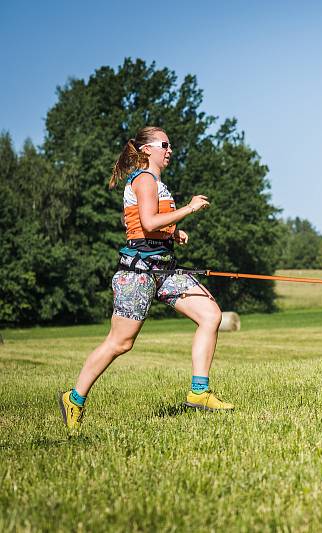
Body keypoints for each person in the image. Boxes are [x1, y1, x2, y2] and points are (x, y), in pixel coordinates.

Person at [58, 126, 233, 429]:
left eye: (170, 146)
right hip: (138, 273)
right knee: (121, 343)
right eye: (164, 145)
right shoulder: (144, 179)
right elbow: (149, 222)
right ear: (147, 149)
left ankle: (199, 392)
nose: (170, 150)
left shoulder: (157, 183)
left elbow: (147, 224)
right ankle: (74, 398)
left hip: (163, 269)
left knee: (210, 314)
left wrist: (173, 233)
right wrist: (189, 209)